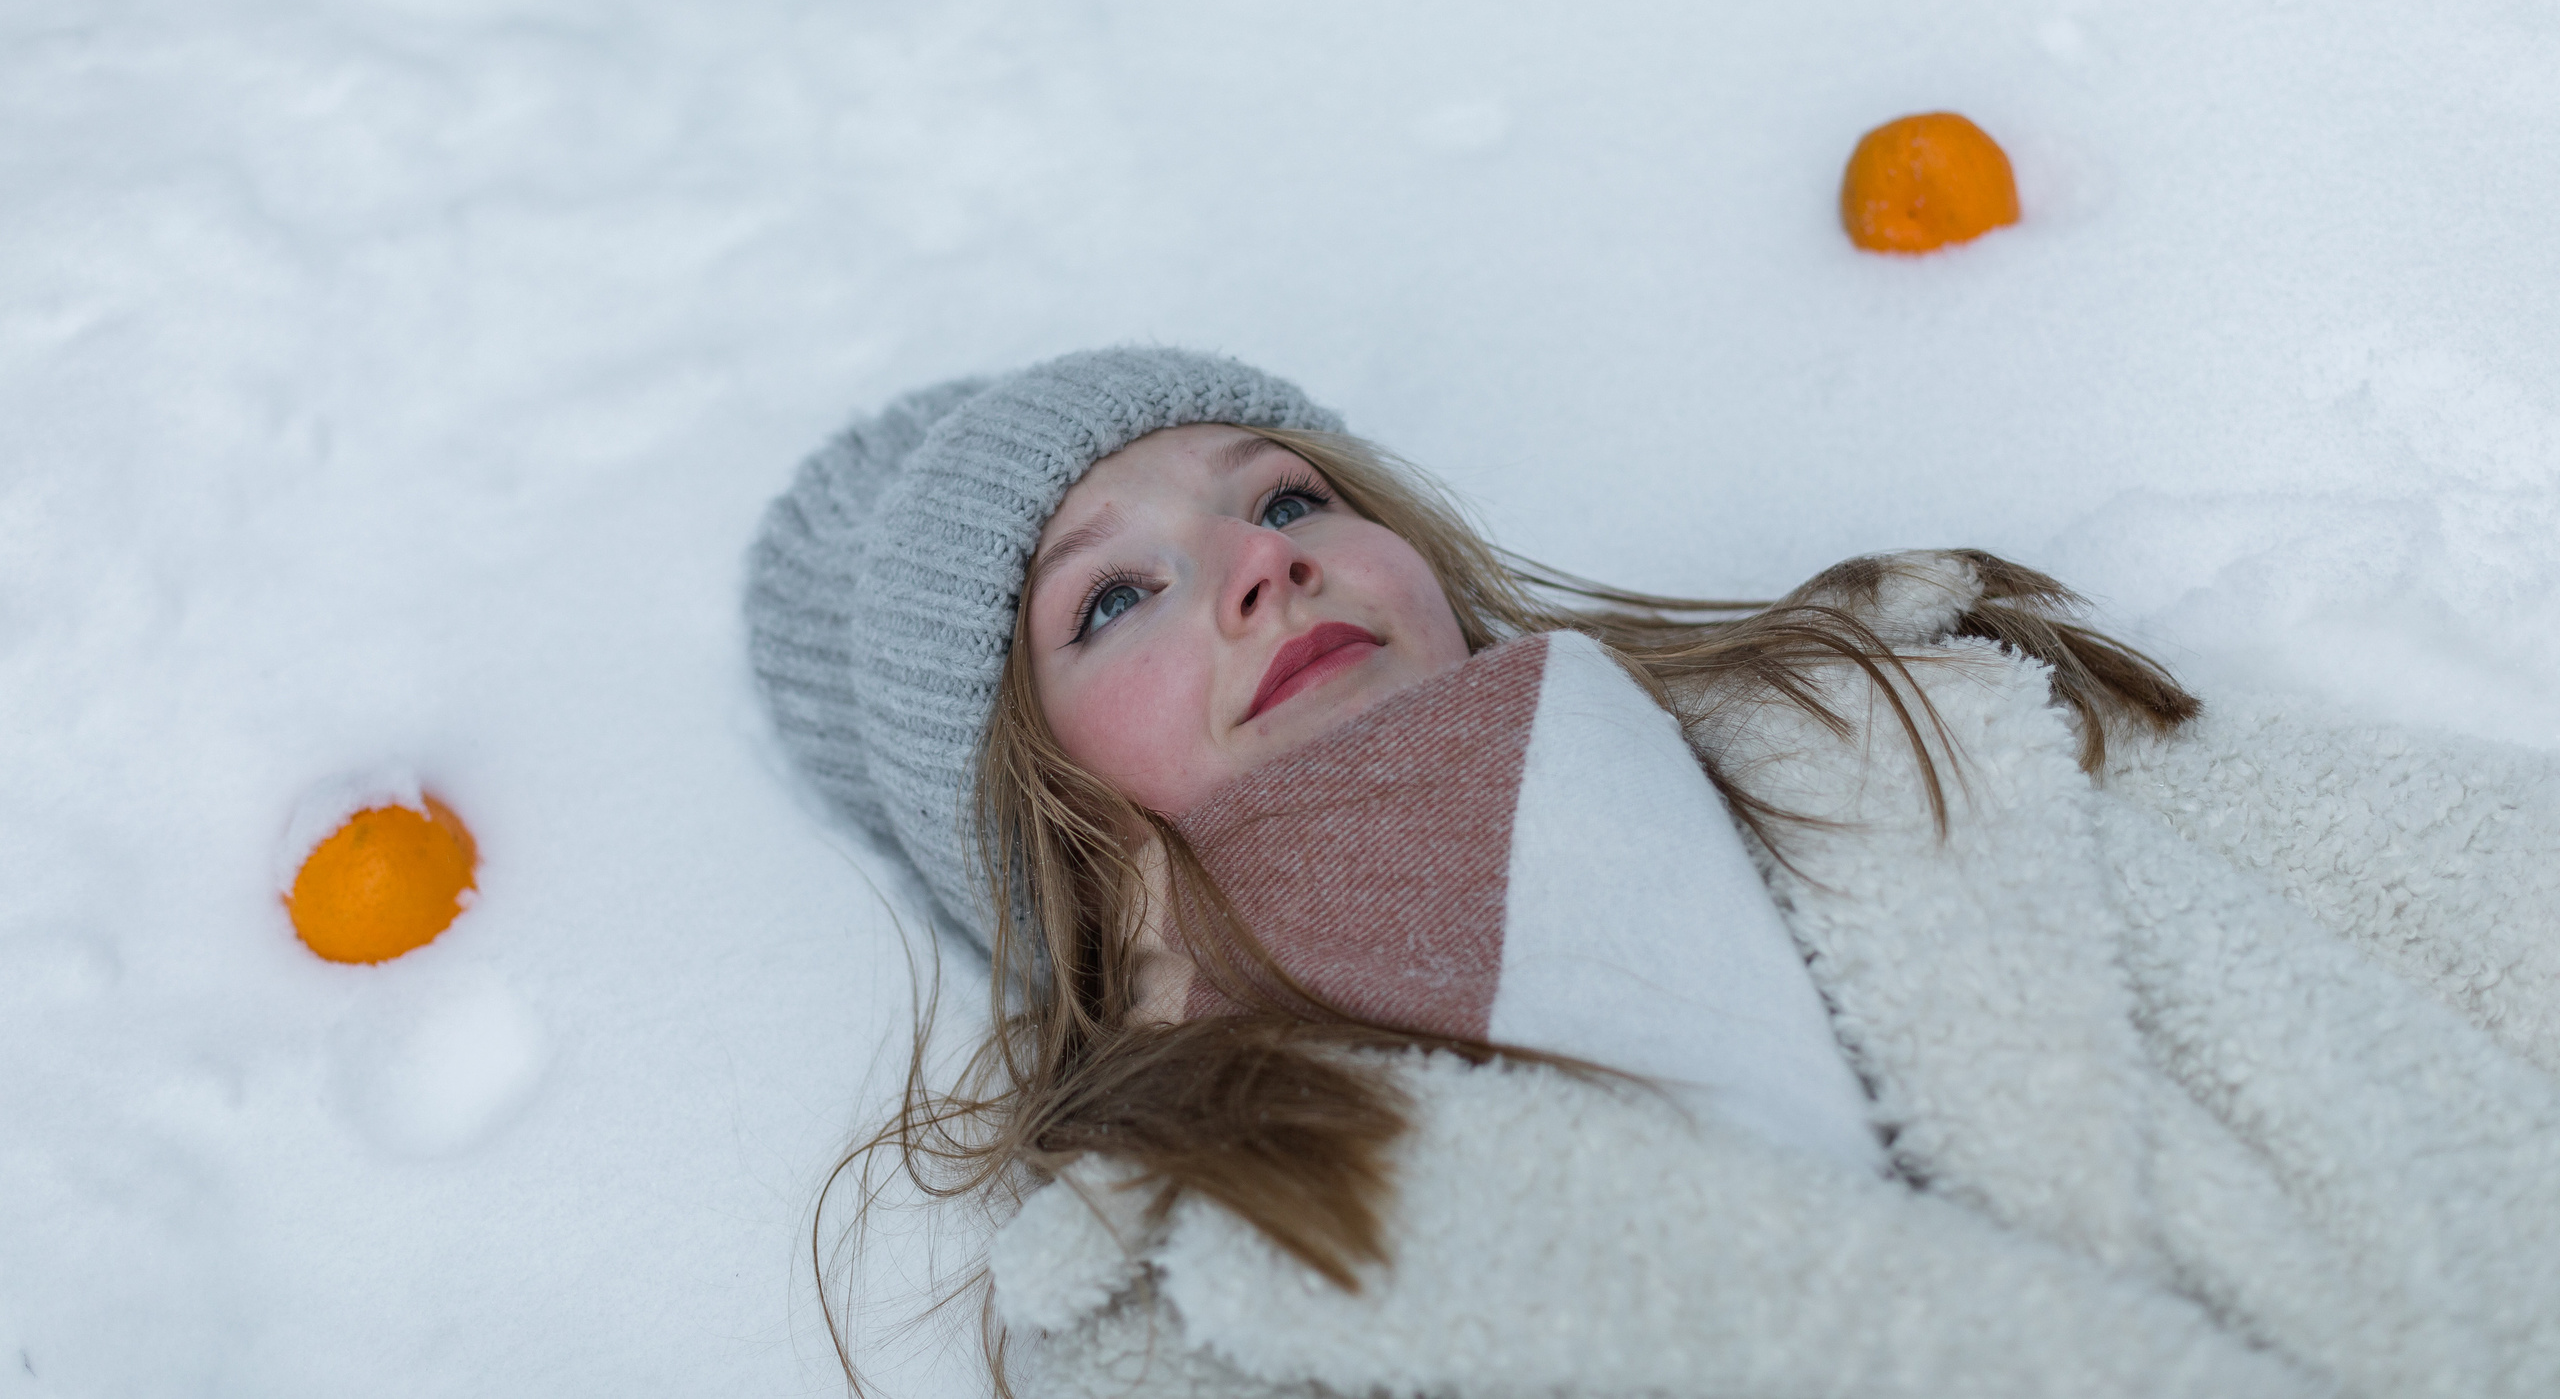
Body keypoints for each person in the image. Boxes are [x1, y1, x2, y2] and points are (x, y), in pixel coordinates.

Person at [749, 347, 2560, 1399]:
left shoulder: (1921, 715)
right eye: (1113, 596)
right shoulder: (1160, 1286)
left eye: (1290, 496)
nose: (1257, 564)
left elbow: (2485, 891)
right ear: (1040, 818)